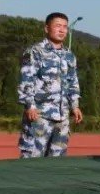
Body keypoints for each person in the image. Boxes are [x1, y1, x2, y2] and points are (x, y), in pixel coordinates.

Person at [18, 12, 83, 158]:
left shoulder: (69, 55)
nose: (62, 30)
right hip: (40, 115)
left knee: (57, 162)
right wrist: (30, 105)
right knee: (32, 158)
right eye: (58, 26)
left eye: (65, 27)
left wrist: (75, 105)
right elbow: (27, 80)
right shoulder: (35, 51)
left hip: (62, 117)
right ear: (47, 28)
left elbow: (73, 81)